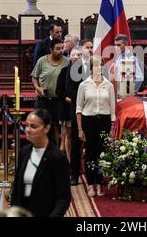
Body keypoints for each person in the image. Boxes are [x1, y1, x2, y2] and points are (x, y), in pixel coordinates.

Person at [10, 109, 71, 217]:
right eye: (27, 125)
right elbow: (17, 190)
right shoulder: (24, 152)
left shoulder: (57, 157)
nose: (28, 130)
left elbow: (63, 198)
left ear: (46, 128)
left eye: (33, 126)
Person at [76, 56, 116, 197]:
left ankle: (99, 183)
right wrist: (80, 129)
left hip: (104, 121)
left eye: (101, 65)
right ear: (91, 68)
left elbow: (112, 109)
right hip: (89, 121)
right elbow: (79, 108)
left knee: (101, 154)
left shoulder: (109, 85)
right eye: (96, 65)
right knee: (90, 154)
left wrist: (112, 127)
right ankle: (90, 184)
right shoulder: (84, 85)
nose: (99, 68)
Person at [32, 38, 70, 144]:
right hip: (43, 100)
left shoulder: (67, 61)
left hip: (58, 100)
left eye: (62, 48)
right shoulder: (42, 60)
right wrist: (37, 87)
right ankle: (40, 147)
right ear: (51, 49)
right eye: (57, 49)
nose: (61, 51)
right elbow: (34, 77)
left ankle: (56, 150)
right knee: (40, 124)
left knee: (58, 127)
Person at [66, 40, 93, 185]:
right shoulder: (74, 67)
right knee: (76, 144)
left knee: (92, 144)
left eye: (91, 47)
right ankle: (74, 174)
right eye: (86, 47)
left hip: (94, 111)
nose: (89, 49)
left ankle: (92, 175)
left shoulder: (97, 65)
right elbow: (69, 89)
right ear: (81, 50)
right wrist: (84, 99)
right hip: (78, 109)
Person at [57, 47, 82, 158]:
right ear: (69, 57)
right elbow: (59, 90)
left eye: (78, 55)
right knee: (69, 135)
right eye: (73, 55)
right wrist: (66, 98)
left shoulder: (84, 71)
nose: (75, 57)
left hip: (80, 106)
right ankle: (69, 159)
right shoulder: (64, 71)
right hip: (67, 106)